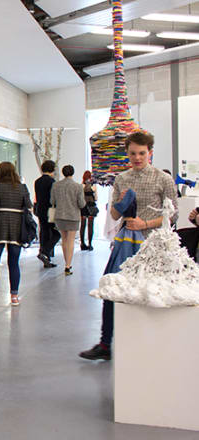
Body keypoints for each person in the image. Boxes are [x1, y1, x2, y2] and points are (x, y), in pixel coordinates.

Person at [80, 132, 176, 361]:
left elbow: (172, 216)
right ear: (127, 153)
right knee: (112, 289)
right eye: (133, 153)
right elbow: (113, 214)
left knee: (152, 295)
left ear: (150, 152)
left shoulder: (163, 179)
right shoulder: (121, 179)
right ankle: (105, 344)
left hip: (154, 247)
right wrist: (121, 204)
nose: (137, 158)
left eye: (142, 153)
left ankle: (153, 345)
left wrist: (145, 223)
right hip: (125, 245)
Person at [0, 162, 32, 308]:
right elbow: (28, 205)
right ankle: (14, 297)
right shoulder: (22, 187)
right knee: (14, 263)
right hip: (17, 228)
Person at [50, 165, 86, 275]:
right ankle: (68, 265)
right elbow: (81, 203)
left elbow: (52, 201)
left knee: (64, 240)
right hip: (73, 216)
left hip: (60, 215)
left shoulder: (56, 185)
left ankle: (67, 263)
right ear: (73, 173)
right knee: (70, 241)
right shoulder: (78, 186)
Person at [34, 161, 60, 267]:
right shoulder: (52, 182)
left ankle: (46, 258)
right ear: (52, 169)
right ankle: (45, 252)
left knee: (44, 233)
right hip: (49, 210)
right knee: (56, 234)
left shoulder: (37, 181)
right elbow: (54, 198)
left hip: (40, 210)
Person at [80, 171, 99, 251]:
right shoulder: (93, 186)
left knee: (83, 225)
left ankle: (82, 243)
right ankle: (90, 244)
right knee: (91, 226)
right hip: (91, 207)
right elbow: (96, 198)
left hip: (83, 207)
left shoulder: (81, 186)